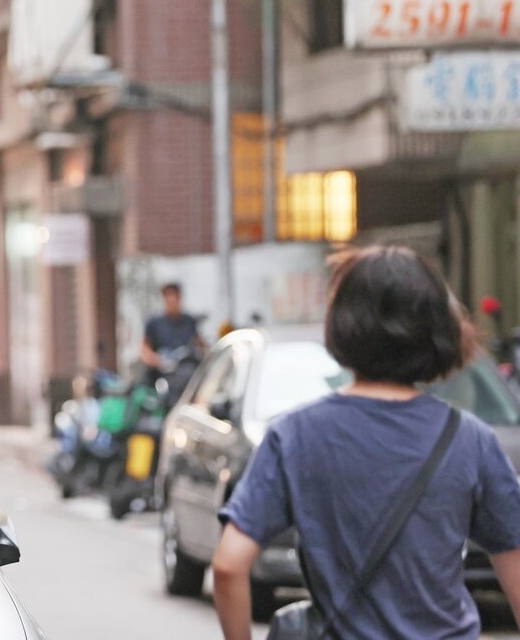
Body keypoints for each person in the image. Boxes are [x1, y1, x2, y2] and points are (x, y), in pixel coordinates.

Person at [212, 246, 520, 640]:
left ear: (341, 326)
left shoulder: (294, 436)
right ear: (437, 330)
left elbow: (228, 564)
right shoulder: (472, 440)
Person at [140, 282, 202, 371]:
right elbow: (145, 349)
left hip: (187, 368)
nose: (172, 301)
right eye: (169, 297)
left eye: (175, 296)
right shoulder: (154, 323)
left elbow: (200, 343)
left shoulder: (189, 321)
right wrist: (156, 360)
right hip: (164, 373)